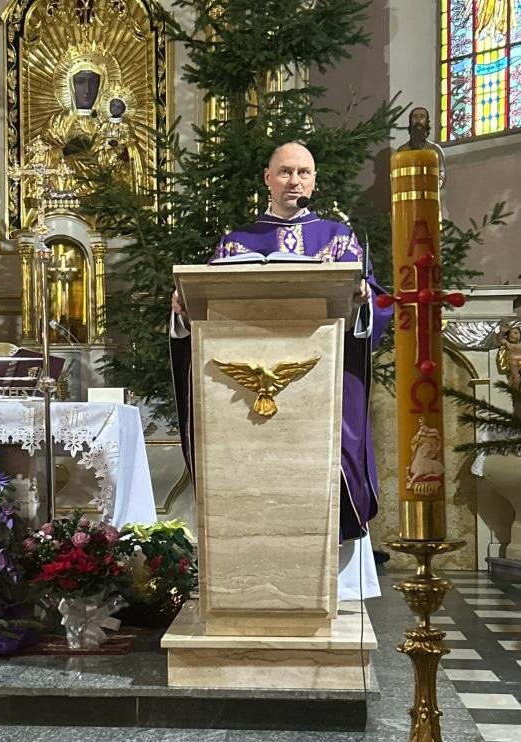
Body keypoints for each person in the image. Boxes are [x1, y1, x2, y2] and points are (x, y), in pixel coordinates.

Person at [170, 141, 393, 601]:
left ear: (314, 180)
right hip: (245, 389)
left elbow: (375, 304)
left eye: (304, 172)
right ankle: (245, 578)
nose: (295, 181)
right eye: (286, 172)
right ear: (268, 179)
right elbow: (203, 310)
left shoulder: (339, 240)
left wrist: (363, 301)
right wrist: (183, 309)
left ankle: (330, 584)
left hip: (321, 383)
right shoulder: (236, 243)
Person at [397, 106, 446, 188]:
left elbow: (440, 174)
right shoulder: (401, 151)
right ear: (410, 121)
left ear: (427, 121)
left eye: (422, 117)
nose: (418, 120)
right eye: (415, 117)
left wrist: (432, 186)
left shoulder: (435, 150)